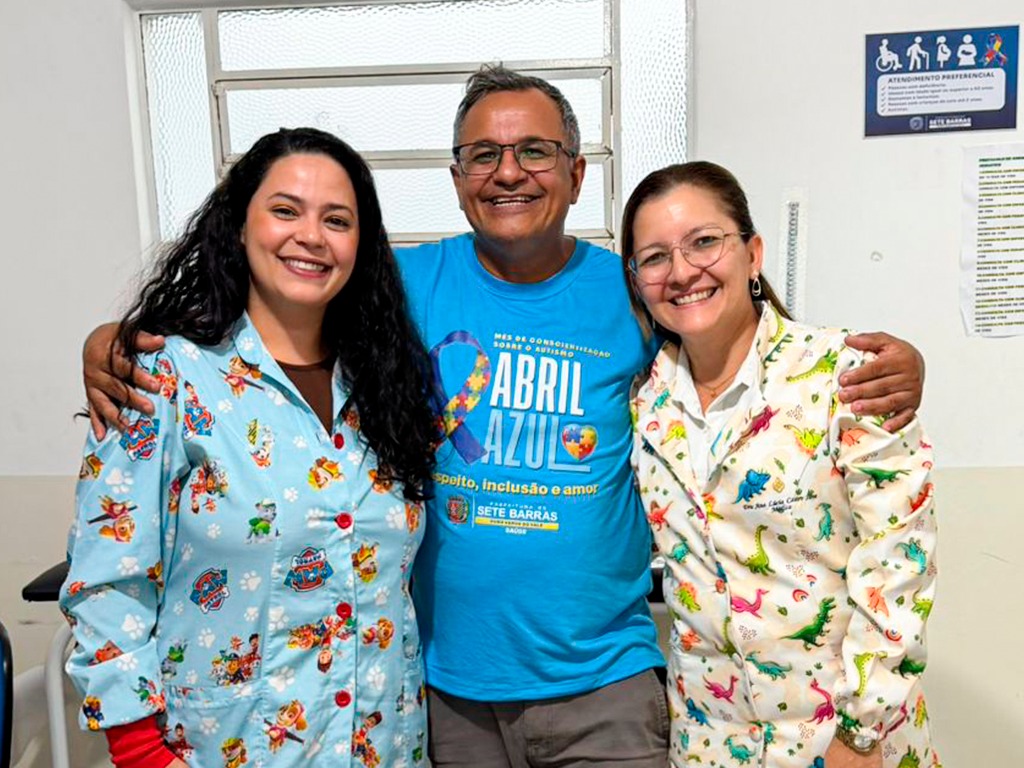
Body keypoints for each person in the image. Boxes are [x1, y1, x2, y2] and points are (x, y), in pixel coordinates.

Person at [81, 67, 926, 767]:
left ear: (576, 173)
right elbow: (280, 314)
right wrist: (113, 340)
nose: (508, 172)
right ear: (457, 181)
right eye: (483, 154)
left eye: (535, 151)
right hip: (445, 695)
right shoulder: (399, 288)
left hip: (606, 686)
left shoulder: (629, 291)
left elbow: (729, 335)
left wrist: (894, 367)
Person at [61, 128, 438, 767]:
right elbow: (106, 582)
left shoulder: (386, 385)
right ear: (239, 226)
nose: (311, 236)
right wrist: (140, 751)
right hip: (225, 749)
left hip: (387, 748)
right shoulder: (165, 378)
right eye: (286, 210)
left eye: (337, 220)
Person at [622, 161, 939, 768]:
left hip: (845, 739)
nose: (682, 271)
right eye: (655, 257)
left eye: (704, 241)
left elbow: (900, 564)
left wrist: (861, 732)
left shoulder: (847, 375)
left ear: (753, 254)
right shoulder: (644, 404)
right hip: (710, 741)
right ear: (637, 282)